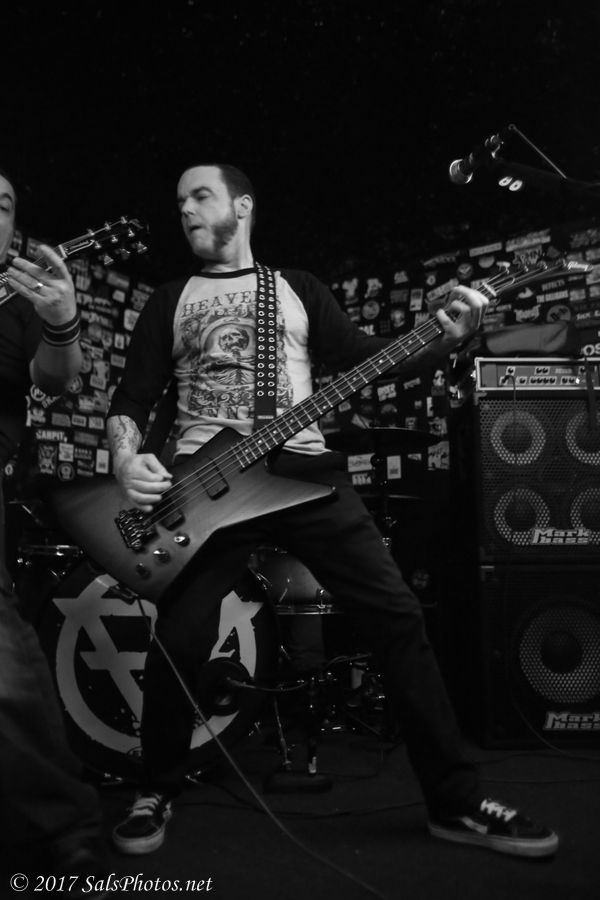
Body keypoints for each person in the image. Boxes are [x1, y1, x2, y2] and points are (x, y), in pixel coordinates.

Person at [106, 163, 559, 859]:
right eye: (179, 201)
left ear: (242, 206)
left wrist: (448, 336)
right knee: (181, 633)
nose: (186, 210)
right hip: (203, 486)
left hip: (304, 472)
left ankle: (455, 800)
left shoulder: (297, 288)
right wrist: (124, 457)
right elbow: (132, 397)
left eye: (200, 196)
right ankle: (155, 787)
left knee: (397, 616)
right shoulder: (170, 298)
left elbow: (370, 358)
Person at [0, 168, 109, 898]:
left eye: (3, 205)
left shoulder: (21, 300)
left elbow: (57, 379)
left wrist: (63, 321)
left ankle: (63, 831)